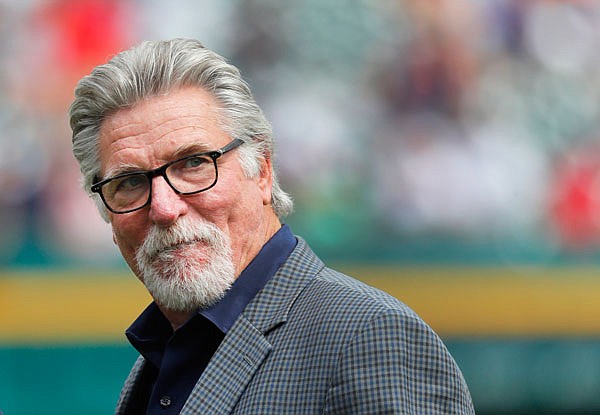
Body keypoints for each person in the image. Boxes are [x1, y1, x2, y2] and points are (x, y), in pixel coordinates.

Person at [69, 38, 475, 414]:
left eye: (193, 163)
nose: (164, 207)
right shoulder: (158, 361)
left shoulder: (371, 338)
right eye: (131, 182)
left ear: (262, 170)